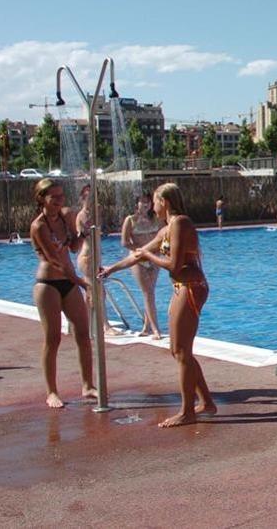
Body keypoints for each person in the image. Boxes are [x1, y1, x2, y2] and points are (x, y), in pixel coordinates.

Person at [101, 183, 217, 428]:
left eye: (154, 201)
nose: (152, 207)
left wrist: (148, 257)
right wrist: (111, 269)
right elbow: (139, 253)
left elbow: (173, 265)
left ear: (164, 201)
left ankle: (187, 411)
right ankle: (206, 402)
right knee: (178, 350)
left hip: (191, 287)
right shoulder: (167, 229)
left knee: (181, 350)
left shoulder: (180, 224)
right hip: (182, 287)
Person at [29, 178, 96, 408]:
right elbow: (54, 260)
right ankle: (52, 392)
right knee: (53, 338)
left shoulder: (65, 217)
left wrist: (82, 233)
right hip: (48, 283)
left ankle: (88, 385)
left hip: (68, 283)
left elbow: (73, 248)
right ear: (42, 199)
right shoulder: (39, 226)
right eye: (54, 197)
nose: (59, 201)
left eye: (61, 196)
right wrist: (81, 282)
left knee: (83, 334)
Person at [75, 185, 117, 336]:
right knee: (97, 292)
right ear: (83, 198)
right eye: (88, 197)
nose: (92, 200)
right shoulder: (81, 216)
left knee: (95, 292)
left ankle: (85, 324)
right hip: (87, 257)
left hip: (96, 256)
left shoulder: (96, 213)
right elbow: (82, 236)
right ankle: (104, 326)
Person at [122, 192, 164, 339]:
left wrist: (157, 251)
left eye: (148, 201)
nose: (145, 204)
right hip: (138, 258)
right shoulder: (130, 220)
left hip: (153, 257)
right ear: (136, 204)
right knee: (148, 292)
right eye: (142, 201)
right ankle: (155, 328)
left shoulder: (156, 219)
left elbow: (163, 236)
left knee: (151, 291)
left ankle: (147, 326)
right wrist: (140, 250)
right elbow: (125, 242)